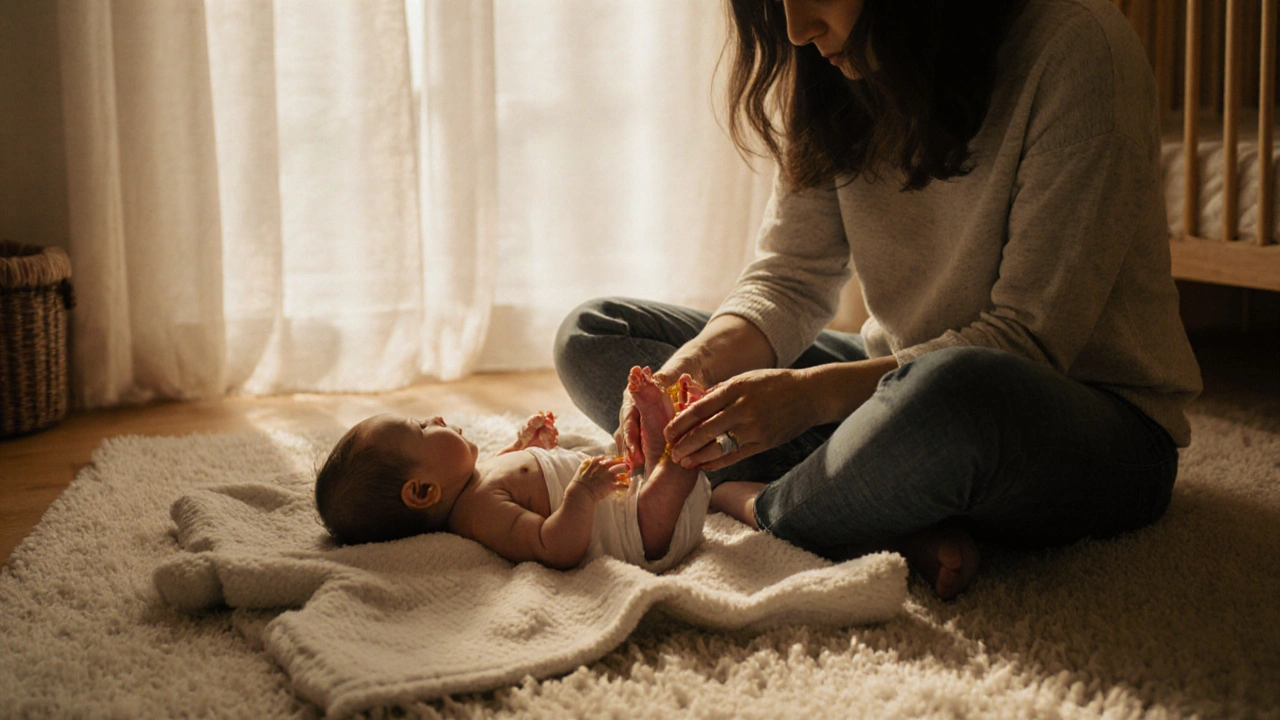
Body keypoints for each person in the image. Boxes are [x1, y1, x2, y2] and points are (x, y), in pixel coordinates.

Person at [554, 0, 1202, 599]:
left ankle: (761, 506)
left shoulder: (1079, 45)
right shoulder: (829, 65)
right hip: (891, 386)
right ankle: (879, 507)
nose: (794, 29)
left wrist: (809, 398)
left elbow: (1028, 340)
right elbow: (788, 279)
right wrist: (691, 370)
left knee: (952, 397)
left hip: (1076, 420)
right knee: (595, 332)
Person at [313, 367, 712, 573]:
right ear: (422, 492)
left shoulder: (471, 483)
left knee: (645, 459)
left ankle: (664, 440)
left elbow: (513, 475)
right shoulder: (480, 513)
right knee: (672, 472)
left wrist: (525, 446)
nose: (434, 417)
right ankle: (680, 446)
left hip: (631, 493)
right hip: (646, 534)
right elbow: (552, 547)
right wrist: (581, 495)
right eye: (421, 427)